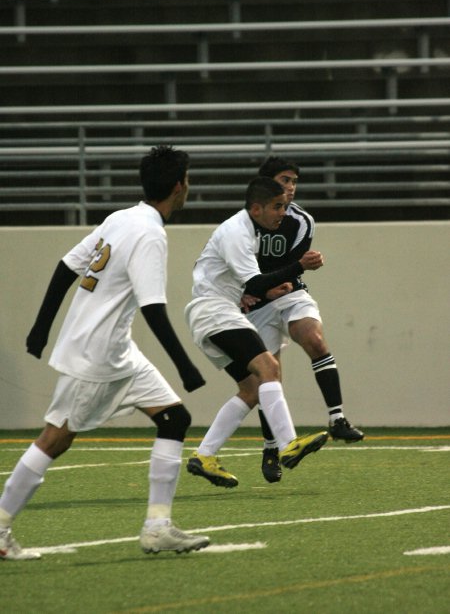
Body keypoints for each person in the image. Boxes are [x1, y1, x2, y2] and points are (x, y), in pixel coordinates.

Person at [0, 145, 210, 560]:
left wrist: (41, 329)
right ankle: (1, 526)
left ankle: (157, 527)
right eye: (187, 179)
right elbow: (152, 307)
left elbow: (66, 267)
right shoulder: (149, 233)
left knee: (175, 418)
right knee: (55, 439)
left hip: (116, 350)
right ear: (177, 186)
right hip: (98, 354)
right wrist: (185, 365)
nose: (188, 186)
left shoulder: (122, 218)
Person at [184, 176, 328, 489]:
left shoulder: (245, 229)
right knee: (269, 368)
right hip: (215, 312)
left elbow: (248, 284)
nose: (282, 212)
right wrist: (298, 266)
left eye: (285, 206)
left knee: (251, 389)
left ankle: (204, 456)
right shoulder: (237, 231)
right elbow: (254, 283)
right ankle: (288, 443)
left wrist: (253, 292)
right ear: (256, 208)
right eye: (277, 206)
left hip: (217, 312)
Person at [247, 157, 364, 483]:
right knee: (269, 377)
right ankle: (271, 448)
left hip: (290, 293)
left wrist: (288, 276)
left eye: (294, 181)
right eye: (285, 180)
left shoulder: (301, 221)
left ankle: (337, 418)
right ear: (266, 185)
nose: (291, 187)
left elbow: (290, 269)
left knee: (314, 340)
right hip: (257, 302)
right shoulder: (244, 222)